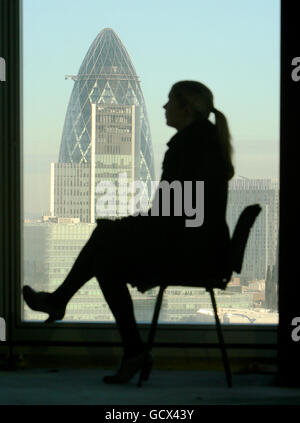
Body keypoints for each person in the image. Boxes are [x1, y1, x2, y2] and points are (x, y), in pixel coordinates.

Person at [23, 80, 234, 384]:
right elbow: (175, 214)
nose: (163, 107)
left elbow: (172, 216)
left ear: (185, 109)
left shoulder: (189, 149)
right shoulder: (203, 144)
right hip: (198, 248)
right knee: (106, 248)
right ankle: (69, 307)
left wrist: (122, 227)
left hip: (192, 254)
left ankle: (70, 308)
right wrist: (123, 227)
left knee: (105, 253)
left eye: (169, 101)